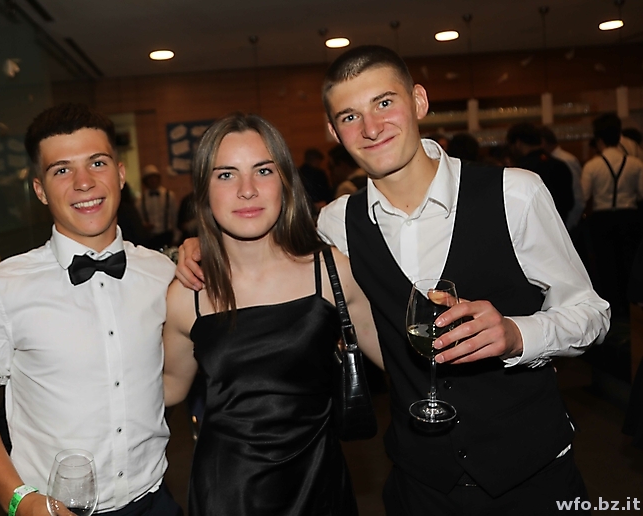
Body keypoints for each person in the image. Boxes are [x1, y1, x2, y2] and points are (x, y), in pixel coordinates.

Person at [176, 46, 610, 515]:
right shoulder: (335, 224)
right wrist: (201, 244)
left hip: (533, 475)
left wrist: (517, 333)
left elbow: (593, 313)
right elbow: (269, 247)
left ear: (418, 101)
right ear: (333, 131)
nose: (371, 127)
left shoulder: (514, 193)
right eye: (350, 116)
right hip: (421, 483)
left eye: (384, 103)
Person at [0, 103, 182, 516]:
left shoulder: (162, 273)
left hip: (154, 501)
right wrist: (18, 499)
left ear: (120, 173)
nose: (84, 182)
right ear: (40, 190)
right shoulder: (3, 289)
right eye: (62, 170)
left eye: (97, 163)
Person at [163, 113, 382, 516]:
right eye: (226, 175)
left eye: (263, 171)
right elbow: (167, 390)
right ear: (204, 191)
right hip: (228, 493)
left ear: (285, 182)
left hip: (319, 485)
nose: (247, 190)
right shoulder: (187, 295)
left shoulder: (331, 272)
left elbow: (399, 359)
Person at [581, 113, 643, 320]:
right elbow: (642, 193)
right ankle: (630, 310)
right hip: (629, 217)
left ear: (598, 139)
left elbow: (583, 196)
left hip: (602, 219)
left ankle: (612, 312)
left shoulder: (592, 166)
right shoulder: (635, 163)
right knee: (629, 264)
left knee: (606, 267)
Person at [506, 122, 574, 224]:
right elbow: (569, 203)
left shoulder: (519, 171)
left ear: (518, 143)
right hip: (559, 225)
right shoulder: (560, 165)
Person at [540, 127, 585, 232]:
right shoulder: (556, 159)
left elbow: (576, 195)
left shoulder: (565, 160)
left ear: (543, 142)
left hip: (568, 222)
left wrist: (568, 225)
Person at [138, 164, 179, 250]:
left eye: (154, 177)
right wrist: (144, 225)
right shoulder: (141, 199)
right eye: (149, 178)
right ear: (145, 181)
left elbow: (175, 217)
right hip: (151, 238)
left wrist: (176, 237)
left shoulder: (169, 195)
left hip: (167, 235)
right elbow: (140, 220)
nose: (152, 180)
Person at [298, 147, 334, 212]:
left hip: (304, 206)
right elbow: (325, 192)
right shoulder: (319, 174)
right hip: (321, 205)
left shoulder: (298, 173)